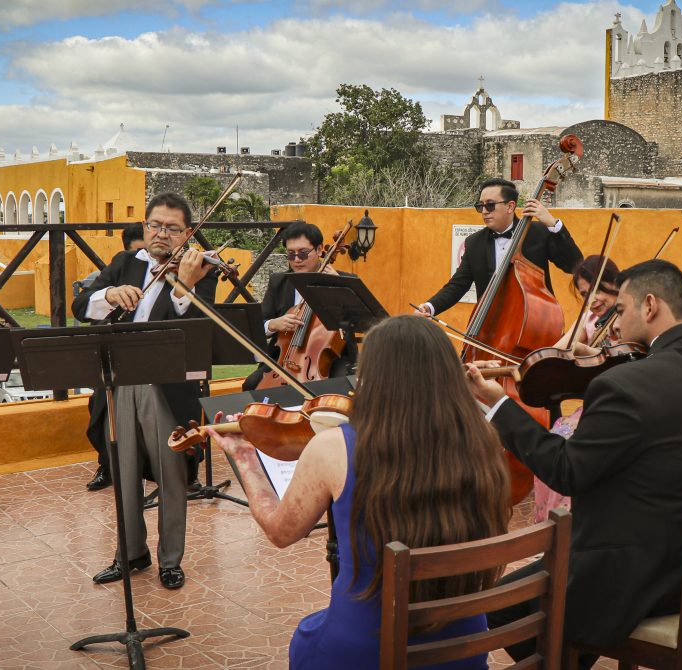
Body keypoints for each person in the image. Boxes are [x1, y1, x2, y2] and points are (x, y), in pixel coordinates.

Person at [466, 259, 682, 664]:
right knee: (517, 603)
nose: (614, 323)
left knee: (498, 609)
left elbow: (566, 470)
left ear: (649, 306)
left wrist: (500, 404)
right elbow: (655, 393)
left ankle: (566, 652)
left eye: (622, 309)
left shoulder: (625, 384)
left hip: (638, 572)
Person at [210, 315, 512, 669]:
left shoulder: (334, 447)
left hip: (367, 649)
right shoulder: (484, 441)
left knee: (307, 639)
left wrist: (246, 458)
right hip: (462, 650)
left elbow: (281, 532)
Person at [71, 192, 217, 590]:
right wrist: (107, 296)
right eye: (155, 225)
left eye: (172, 228)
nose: (161, 235)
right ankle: (131, 552)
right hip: (118, 384)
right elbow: (80, 305)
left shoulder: (203, 272)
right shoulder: (124, 264)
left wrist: (183, 286)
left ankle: (171, 559)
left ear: (187, 234)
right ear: (145, 226)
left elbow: (182, 336)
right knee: (124, 469)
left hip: (166, 390)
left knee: (172, 474)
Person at [534, 255, 621, 522]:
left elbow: (625, 361)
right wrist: (532, 362)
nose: (592, 300)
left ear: (613, 282)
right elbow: (561, 347)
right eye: (585, 294)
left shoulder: (629, 315)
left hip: (620, 404)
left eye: (597, 291)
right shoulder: (590, 318)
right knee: (553, 443)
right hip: (595, 404)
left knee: (573, 451)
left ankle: (573, 524)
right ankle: (551, 526)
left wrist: (589, 351)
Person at [415, 177, 582, 318]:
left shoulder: (538, 232)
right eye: (481, 206)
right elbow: (457, 285)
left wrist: (553, 224)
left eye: (490, 205)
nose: (484, 211)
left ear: (510, 206)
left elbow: (574, 264)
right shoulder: (474, 243)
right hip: (490, 328)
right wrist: (430, 307)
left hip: (536, 324)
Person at [241, 221, 357, 391]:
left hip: (333, 359)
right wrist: (274, 324)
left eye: (302, 254)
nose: (296, 260)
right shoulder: (278, 282)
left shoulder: (343, 280)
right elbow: (259, 323)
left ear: (318, 250)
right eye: (290, 254)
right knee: (251, 385)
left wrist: (338, 288)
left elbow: (359, 320)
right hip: (285, 358)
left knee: (338, 389)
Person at [85, 222, 147, 492]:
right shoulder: (122, 267)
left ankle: (182, 464)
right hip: (121, 358)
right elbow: (86, 307)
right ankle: (107, 464)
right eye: (139, 252)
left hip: (159, 357)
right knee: (101, 399)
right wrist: (110, 298)